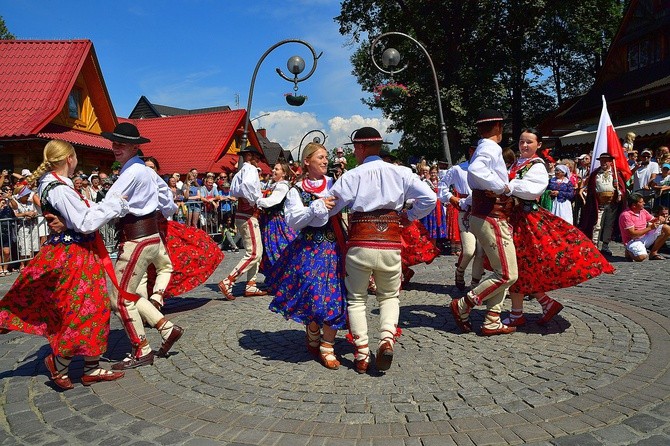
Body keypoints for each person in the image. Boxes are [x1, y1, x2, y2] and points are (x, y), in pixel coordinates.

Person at [0, 140, 127, 389]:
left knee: (92, 306)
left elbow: (46, 203)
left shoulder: (53, 184)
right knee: (84, 308)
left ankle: (89, 365)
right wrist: (116, 205)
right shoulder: (59, 188)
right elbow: (85, 222)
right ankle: (61, 362)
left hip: (74, 251)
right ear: (70, 158)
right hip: (74, 254)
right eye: (76, 156)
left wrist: (61, 218)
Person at [327, 128, 436, 374]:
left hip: (360, 242)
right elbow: (429, 198)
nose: (354, 152)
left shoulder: (352, 176)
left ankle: (362, 354)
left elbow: (331, 206)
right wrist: (409, 216)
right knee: (389, 296)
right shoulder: (401, 172)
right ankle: (386, 339)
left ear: (362, 148)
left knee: (356, 299)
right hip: (390, 242)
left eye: (355, 148)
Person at [500, 129, 614, 327]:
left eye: (529, 142)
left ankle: (520, 313)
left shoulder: (536, 166)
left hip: (526, 220)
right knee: (522, 266)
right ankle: (544, 304)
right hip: (515, 218)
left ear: (539, 145)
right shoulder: (519, 163)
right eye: (521, 141)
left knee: (520, 264)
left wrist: (509, 186)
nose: (524, 145)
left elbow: (533, 189)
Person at [100, 123, 184, 370]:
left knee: (119, 298)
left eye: (122, 144)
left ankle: (142, 349)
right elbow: (167, 200)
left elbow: (109, 203)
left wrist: (82, 223)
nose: (116, 148)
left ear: (135, 146)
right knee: (132, 292)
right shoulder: (144, 170)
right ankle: (166, 328)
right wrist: (163, 215)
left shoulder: (131, 172)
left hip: (136, 239)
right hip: (150, 237)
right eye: (114, 143)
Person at [265, 143, 347, 370]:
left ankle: (328, 345)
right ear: (307, 161)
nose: (325, 161)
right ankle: (312, 327)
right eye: (320, 157)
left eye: (326, 157)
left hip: (334, 246)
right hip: (309, 248)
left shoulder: (335, 184)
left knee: (336, 295)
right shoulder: (296, 190)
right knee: (311, 291)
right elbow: (294, 221)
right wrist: (315, 207)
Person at [450, 109, 518, 336]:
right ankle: (464, 304)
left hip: (486, 214)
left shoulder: (483, 147)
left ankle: (492, 319)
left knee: (501, 271)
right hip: (492, 215)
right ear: (498, 127)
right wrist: (502, 187)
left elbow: (476, 174)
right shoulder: (491, 147)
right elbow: (477, 171)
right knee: (508, 274)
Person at [217, 146, 268, 300]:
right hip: (247, 214)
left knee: (257, 250)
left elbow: (234, 191)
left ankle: (251, 284)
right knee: (253, 253)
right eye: (257, 157)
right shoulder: (250, 170)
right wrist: (255, 202)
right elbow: (246, 187)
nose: (259, 160)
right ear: (250, 156)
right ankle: (229, 280)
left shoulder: (241, 171)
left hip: (242, 213)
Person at [438, 146, 483, 290]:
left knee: (481, 251)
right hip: (466, 212)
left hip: (484, 212)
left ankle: (475, 286)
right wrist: (451, 198)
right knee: (469, 250)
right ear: (471, 151)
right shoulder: (458, 169)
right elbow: (442, 186)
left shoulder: (488, 170)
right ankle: (460, 271)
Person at [578, 152, 627, 256]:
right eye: (602, 160)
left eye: (606, 160)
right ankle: (594, 244)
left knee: (609, 225)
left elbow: (622, 188)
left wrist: (620, 193)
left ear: (610, 162)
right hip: (599, 204)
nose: (604, 162)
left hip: (612, 204)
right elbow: (590, 188)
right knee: (597, 224)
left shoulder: (616, 174)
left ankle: (605, 245)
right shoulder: (595, 174)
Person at [257, 162, 297, 274]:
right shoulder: (274, 185)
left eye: (277, 169)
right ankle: (274, 275)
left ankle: (285, 274)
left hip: (276, 221)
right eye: (273, 168)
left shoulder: (282, 186)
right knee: (270, 248)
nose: (273, 171)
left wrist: (257, 201)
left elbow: (273, 201)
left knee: (279, 247)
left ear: (284, 173)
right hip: (270, 220)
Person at [619, 192, 670, 261]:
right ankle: (629, 251)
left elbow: (653, 220)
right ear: (634, 205)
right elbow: (633, 234)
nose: (644, 203)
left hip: (645, 237)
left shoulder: (642, 211)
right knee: (641, 257)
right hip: (633, 240)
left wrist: (660, 219)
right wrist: (650, 228)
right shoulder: (626, 215)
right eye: (641, 202)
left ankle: (653, 253)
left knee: (666, 228)